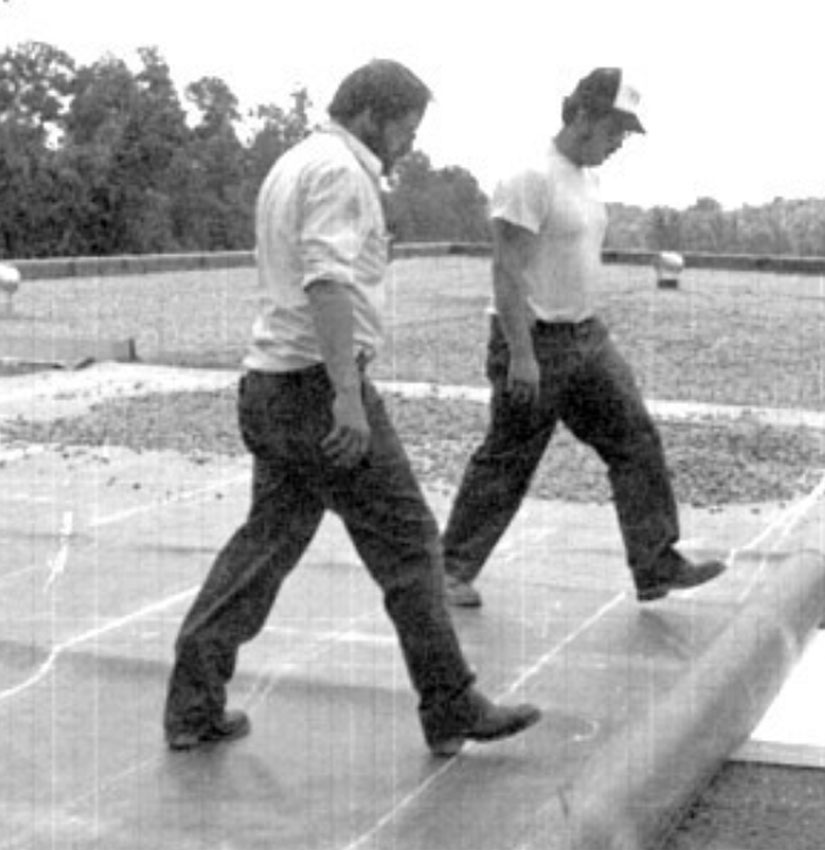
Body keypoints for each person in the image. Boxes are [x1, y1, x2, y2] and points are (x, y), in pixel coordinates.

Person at [163, 60, 541, 756]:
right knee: (409, 544)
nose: (409, 143)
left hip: (270, 385)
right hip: (316, 389)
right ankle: (451, 704)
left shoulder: (297, 161)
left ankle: (192, 705)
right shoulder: (341, 172)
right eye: (406, 128)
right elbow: (328, 281)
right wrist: (347, 396)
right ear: (373, 114)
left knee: (266, 543)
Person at [442, 67, 726, 608]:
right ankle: (448, 571)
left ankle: (656, 564)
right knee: (508, 459)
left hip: (586, 338)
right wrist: (521, 355)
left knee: (636, 439)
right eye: (615, 129)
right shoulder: (530, 176)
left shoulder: (588, 180)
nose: (620, 142)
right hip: (533, 340)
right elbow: (506, 270)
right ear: (581, 115)